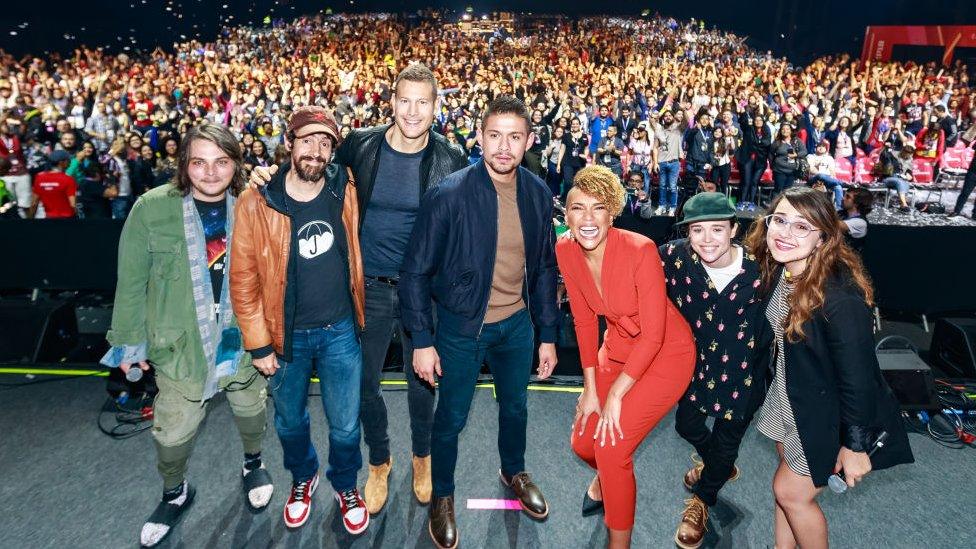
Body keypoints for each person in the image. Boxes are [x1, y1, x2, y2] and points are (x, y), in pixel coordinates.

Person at [249, 63, 468, 516]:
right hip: (366, 287)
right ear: (391, 102)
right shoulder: (361, 145)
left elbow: (462, 228)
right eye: (404, 100)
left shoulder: (450, 159)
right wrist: (263, 177)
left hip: (422, 292)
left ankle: (421, 458)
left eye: (422, 102)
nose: (412, 111)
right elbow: (309, 169)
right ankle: (380, 461)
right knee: (364, 384)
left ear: (435, 106)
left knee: (422, 381)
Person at [102, 122, 273, 548]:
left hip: (241, 337)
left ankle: (253, 463)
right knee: (173, 432)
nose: (210, 173)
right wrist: (128, 343)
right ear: (184, 165)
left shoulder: (256, 205)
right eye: (199, 162)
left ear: (236, 165)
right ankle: (174, 493)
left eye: (221, 162)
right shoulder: (150, 209)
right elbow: (131, 281)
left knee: (251, 408)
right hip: (179, 345)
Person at [399, 95, 560, 549]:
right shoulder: (448, 193)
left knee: (516, 408)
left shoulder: (538, 192)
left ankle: (513, 469)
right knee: (450, 418)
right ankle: (443, 497)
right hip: (459, 330)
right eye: (494, 136)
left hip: (517, 326)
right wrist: (423, 341)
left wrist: (548, 334)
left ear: (529, 140)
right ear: (479, 138)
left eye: (514, 137)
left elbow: (545, 268)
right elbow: (415, 272)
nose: (504, 147)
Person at [744, 186, 913, 549]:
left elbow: (859, 379)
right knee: (788, 489)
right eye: (780, 220)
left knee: (791, 492)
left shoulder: (839, 298)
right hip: (790, 396)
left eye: (802, 227)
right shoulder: (783, 270)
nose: (785, 233)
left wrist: (854, 446)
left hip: (826, 412)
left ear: (823, 236)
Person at [230, 106, 370, 535]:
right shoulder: (258, 199)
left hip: (340, 330)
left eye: (325, 143)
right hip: (283, 335)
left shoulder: (344, 185)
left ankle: (346, 485)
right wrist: (258, 344)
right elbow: (243, 277)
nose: (316, 150)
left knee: (346, 424)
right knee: (290, 421)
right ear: (288, 144)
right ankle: (303, 478)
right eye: (307, 140)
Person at [558, 165, 695, 549]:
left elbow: (654, 335)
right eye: (577, 208)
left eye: (597, 208)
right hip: (617, 350)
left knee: (612, 445)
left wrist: (615, 395)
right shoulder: (565, 248)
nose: (587, 219)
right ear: (565, 214)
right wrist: (590, 389)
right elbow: (584, 322)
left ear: (612, 212)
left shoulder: (640, 249)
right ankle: (606, 479)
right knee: (585, 444)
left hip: (667, 353)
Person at [659, 193, 769, 549]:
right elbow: (630, 259)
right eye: (697, 230)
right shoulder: (675, 257)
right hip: (695, 368)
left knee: (727, 443)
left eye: (717, 229)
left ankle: (702, 501)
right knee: (686, 424)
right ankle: (716, 466)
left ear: (734, 229)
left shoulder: (762, 270)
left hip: (745, 376)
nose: (707, 239)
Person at [30, 150, 77, 218]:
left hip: (49, 219)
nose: (70, 162)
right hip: (67, 220)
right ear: (61, 162)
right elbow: (73, 204)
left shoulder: (39, 178)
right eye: (68, 160)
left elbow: (34, 203)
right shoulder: (68, 180)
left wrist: (30, 219)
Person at [654, 110, 683, 215]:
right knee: (661, 186)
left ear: (673, 117)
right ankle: (662, 206)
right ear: (663, 118)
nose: (668, 117)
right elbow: (655, 148)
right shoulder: (659, 131)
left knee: (672, 186)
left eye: (670, 115)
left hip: (674, 162)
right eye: (665, 116)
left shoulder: (678, 129)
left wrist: (682, 109)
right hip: (662, 162)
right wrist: (655, 163)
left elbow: (688, 122)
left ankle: (672, 207)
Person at [769, 124, 807, 200]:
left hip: (792, 170)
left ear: (790, 131)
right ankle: (773, 206)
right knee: (778, 189)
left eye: (787, 129)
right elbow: (770, 154)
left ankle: (784, 206)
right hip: (779, 170)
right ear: (780, 131)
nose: (785, 131)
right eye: (783, 129)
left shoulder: (796, 141)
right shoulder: (777, 142)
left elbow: (804, 152)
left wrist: (796, 155)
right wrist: (772, 165)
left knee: (788, 190)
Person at [806, 140, 844, 208]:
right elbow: (811, 169)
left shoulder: (829, 158)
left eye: (823, 147)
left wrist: (832, 177)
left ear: (826, 149)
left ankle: (839, 209)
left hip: (827, 179)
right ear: (816, 148)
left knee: (838, 187)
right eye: (819, 146)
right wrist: (821, 174)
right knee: (821, 175)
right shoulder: (810, 156)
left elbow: (832, 171)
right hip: (814, 178)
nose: (821, 148)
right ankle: (842, 183)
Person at [882, 143, 915, 212]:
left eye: (909, 155)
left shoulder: (910, 160)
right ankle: (904, 204)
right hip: (889, 178)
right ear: (902, 151)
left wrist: (909, 176)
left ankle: (903, 205)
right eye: (906, 155)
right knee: (900, 181)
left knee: (903, 182)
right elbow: (886, 166)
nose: (907, 157)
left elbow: (909, 172)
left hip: (902, 179)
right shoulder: (892, 155)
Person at [839, 186, 873, 252]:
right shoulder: (841, 213)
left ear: (856, 203)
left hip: (849, 259)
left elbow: (830, 224)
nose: (843, 198)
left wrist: (820, 197)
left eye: (848, 197)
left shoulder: (860, 223)